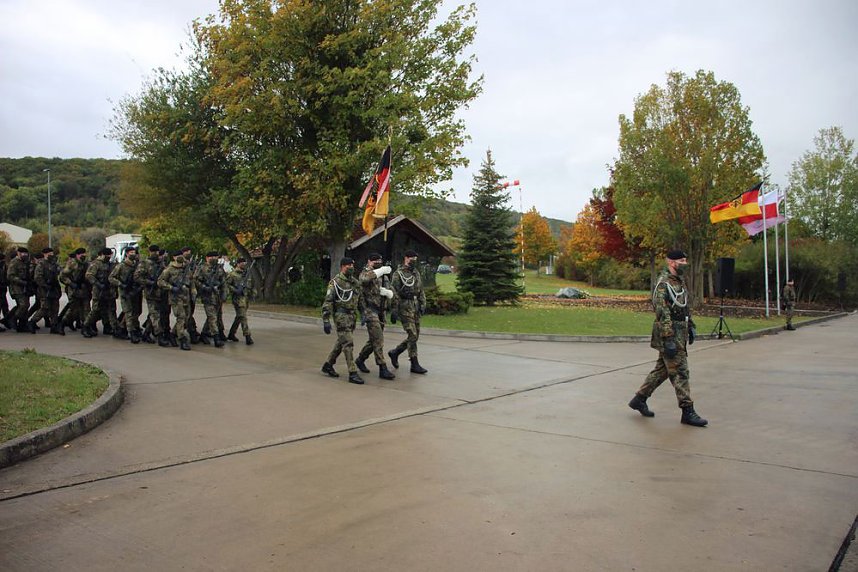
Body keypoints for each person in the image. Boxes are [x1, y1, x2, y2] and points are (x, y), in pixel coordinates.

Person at [628, 250, 708, 427]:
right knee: (680, 372)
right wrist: (668, 337)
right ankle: (688, 411)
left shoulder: (678, 282)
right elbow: (661, 310)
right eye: (681, 261)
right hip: (669, 334)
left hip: (680, 332)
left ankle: (639, 399)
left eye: (686, 260)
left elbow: (683, 307)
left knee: (662, 370)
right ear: (671, 262)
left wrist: (690, 325)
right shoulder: (663, 283)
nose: (685, 264)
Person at [321, 257, 364, 384]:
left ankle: (328, 364)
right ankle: (352, 372)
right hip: (341, 316)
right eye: (348, 266)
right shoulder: (335, 282)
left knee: (342, 342)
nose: (350, 267)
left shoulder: (355, 283)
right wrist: (326, 319)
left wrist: (363, 314)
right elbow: (328, 301)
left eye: (352, 265)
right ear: (342, 267)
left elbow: (359, 300)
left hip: (352, 317)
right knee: (348, 343)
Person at [355, 253, 396, 380]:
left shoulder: (383, 276)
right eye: (374, 261)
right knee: (378, 339)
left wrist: (389, 294)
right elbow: (364, 280)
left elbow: (390, 289)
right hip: (370, 310)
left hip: (381, 311)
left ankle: (361, 359)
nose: (377, 262)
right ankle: (382, 367)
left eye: (379, 261)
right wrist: (380, 270)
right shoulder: (365, 273)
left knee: (374, 340)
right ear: (369, 262)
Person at [389, 249, 428, 374]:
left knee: (415, 335)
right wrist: (394, 309)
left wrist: (423, 303)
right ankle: (414, 363)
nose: (413, 262)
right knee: (412, 334)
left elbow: (420, 289)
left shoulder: (416, 272)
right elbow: (393, 292)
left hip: (415, 306)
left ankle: (395, 352)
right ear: (406, 258)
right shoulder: (398, 274)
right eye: (411, 259)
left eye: (415, 259)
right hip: (404, 306)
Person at [135, 244, 170, 346]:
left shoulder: (161, 263)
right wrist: (149, 282)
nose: (156, 253)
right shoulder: (144, 263)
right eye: (154, 251)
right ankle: (159, 336)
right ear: (150, 252)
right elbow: (137, 277)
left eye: (157, 251)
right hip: (151, 293)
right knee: (155, 315)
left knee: (153, 314)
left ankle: (146, 334)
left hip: (161, 292)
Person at [158, 250, 193, 350]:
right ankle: (182, 339)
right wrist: (171, 287)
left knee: (186, 318)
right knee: (181, 317)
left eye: (181, 255)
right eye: (177, 255)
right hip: (175, 297)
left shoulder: (186, 268)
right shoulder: (169, 269)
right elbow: (160, 281)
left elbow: (191, 280)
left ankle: (173, 334)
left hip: (186, 296)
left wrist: (193, 291)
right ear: (173, 258)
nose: (180, 257)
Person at [83, 248, 120, 338]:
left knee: (111, 310)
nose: (109, 257)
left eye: (110, 255)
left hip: (110, 291)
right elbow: (89, 275)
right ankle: (86, 326)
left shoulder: (111, 264)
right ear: (102, 255)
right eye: (107, 255)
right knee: (95, 310)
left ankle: (112, 328)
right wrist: (98, 284)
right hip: (99, 291)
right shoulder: (96, 263)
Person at [110, 246, 143, 343]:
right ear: (127, 254)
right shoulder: (121, 265)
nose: (133, 254)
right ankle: (131, 333)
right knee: (128, 312)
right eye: (131, 252)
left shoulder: (136, 265)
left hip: (135, 292)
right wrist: (121, 284)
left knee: (136, 312)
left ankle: (121, 329)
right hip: (125, 292)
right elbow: (111, 278)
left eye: (134, 252)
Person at [195, 251, 226, 347]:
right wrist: (204, 287)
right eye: (212, 257)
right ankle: (216, 338)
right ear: (207, 258)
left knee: (213, 317)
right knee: (212, 317)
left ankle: (204, 334)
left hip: (217, 297)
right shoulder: (201, 268)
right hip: (207, 296)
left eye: (216, 257)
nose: (214, 258)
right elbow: (196, 280)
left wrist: (224, 294)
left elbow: (224, 282)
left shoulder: (219, 269)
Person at [31, 247, 64, 335]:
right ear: (45, 254)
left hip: (54, 288)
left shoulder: (54, 264)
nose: (51, 255)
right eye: (49, 254)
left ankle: (54, 326)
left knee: (55, 308)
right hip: (44, 289)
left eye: (52, 253)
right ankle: (32, 322)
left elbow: (60, 271)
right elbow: (37, 277)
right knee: (44, 308)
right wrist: (45, 285)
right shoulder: (41, 264)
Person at [225, 257, 255, 345]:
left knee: (239, 317)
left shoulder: (247, 274)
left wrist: (252, 294)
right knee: (243, 317)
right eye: (241, 262)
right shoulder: (232, 274)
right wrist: (235, 290)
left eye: (244, 262)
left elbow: (251, 286)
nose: (243, 264)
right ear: (237, 264)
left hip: (245, 298)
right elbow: (227, 284)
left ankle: (231, 334)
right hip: (238, 299)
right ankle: (247, 336)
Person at [59, 248, 90, 332]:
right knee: (72, 309)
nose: (83, 255)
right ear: (77, 255)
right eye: (81, 254)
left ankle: (85, 328)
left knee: (86, 310)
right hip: (74, 289)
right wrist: (71, 283)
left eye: (84, 253)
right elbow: (63, 276)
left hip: (84, 289)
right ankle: (62, 324)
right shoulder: (72, 263)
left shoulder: (86, 264)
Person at [6, 247, 33, 332]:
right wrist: (21, 281)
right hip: (16, 288)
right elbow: (10, 276)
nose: (25, 255)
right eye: (23, 253)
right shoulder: (14, 262)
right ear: (18, 253)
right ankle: (13, 319)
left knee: (26, 305)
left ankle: (22, 325)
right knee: (23, 305)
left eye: (26, 253)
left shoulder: (26, 262)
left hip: (25, 287)